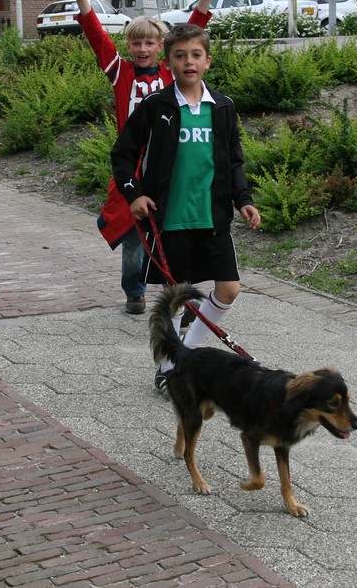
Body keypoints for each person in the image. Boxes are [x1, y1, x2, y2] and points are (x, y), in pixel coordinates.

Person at [56, 0, 227, 315]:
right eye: (136, 43)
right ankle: (134, 291)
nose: (143, 48)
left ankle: (176, 292)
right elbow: (97, 38)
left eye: (150, 42)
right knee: (132, 235)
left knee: (172, 232)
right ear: (129, 46)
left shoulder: (170, 71)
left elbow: (193, 32)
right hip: (133, 166)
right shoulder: (120, 72)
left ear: (161, 47)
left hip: (169, 165)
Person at [110, 23, 261, 394]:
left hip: (212, 218)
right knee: (176, 300)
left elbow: (233, 160)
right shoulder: (156, 106)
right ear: (168, 62)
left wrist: (243, 199)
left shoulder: (222, 107)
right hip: (171, 220)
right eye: (180, 56)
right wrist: (134, 195)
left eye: (196, 55)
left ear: (208, 61)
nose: (188, 62)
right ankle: (167, 371)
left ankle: (185, 354)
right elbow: (123, 154)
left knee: (229, 289)